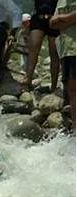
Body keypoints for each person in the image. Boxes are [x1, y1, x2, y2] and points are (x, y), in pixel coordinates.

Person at [22, 0, 60, 91]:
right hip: (39, 17)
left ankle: (54, 85)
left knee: (54, 53)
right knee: (34, 46)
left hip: (55, 17)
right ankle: (28, 78)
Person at [50, 0, 75, 131]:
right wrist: (70, 19)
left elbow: (57, 21)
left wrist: (61, 19)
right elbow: (52, 23)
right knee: (72, 89)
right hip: (67, 49)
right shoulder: (61, 1)